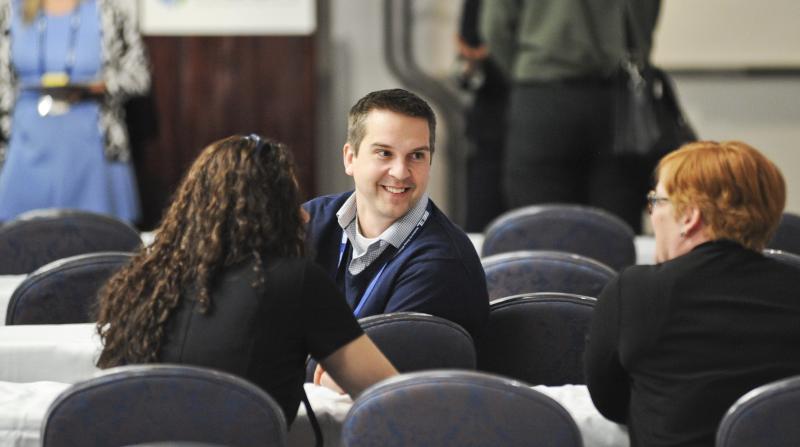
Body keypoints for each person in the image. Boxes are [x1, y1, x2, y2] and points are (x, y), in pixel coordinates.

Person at [95, 134, 397, 425]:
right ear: (270, 214)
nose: (304, 217)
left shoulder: (145, 282)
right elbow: (389, 396)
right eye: (291, 204)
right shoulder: (296, 282)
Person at [584, 141, 800, 447]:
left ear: (690, 217)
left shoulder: (634, 292)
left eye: (657, 200)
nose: (653, 213)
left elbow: (611, 403)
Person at [304, 88, 488, 340]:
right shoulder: (309, 221)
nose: (401, 172)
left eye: (416, 156)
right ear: (350, 158)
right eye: (384, 153)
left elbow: (373, 373)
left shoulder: (443, 263)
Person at [480, 0, 661, 233]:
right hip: (618, 100)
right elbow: (645, 18)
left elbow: (495, 27)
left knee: (542, 229)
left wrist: (526, 70)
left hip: (542, 94)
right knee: (614, 228)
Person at [0, 0, 150, 223]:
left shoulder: (108, 12)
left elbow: (139, 77)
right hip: (25, 148)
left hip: (91, 149)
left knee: (95, 240)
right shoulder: (10, 11)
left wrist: (100, 86)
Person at [456, 0, 509, 232]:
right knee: (484, 217)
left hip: (540, 113)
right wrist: (471, 65)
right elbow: (467, 50)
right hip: (493, 117)